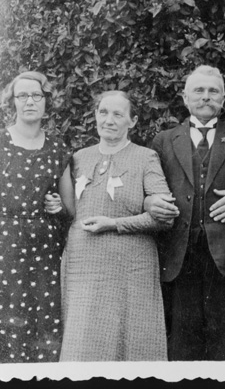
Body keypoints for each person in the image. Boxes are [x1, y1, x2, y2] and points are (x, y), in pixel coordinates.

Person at [0, 71, 72, 364]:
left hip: (42, 252)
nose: (30, 101)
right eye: (22, 96)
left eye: (36, 95)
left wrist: (58, 207)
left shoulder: (58, 149)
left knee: (39, 326)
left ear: (47, 101)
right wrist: (0, 223)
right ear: (12, 102)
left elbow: (70, 209)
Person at [56, 90, 172, 361]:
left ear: (132, 121)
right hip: (81, 264)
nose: (108, 120)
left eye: (118, 114)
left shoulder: (146, 157)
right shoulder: (78, 158)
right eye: (103, 112)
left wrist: (115, 224)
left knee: (131, 339)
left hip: (130, 267)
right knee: (83, 341)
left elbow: (165, 217)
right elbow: (69, 210)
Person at [147, 65, 225, 361]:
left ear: (223, 98)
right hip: (179, 256)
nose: (206, 97)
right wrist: (149, 202)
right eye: (199, 90)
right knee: (182, 341)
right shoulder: (164, 140)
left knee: (224, 341)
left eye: (213, 91)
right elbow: (147, 188)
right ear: (185, 97)